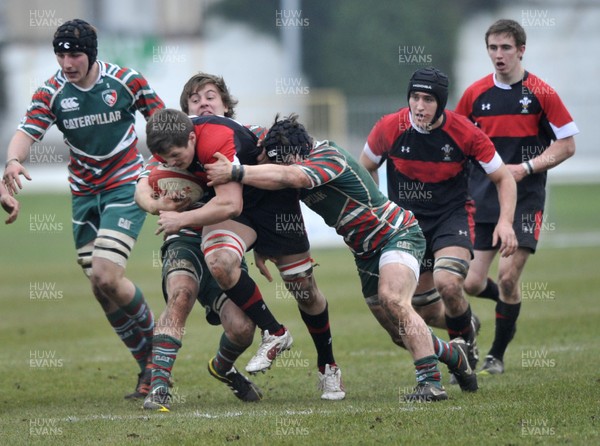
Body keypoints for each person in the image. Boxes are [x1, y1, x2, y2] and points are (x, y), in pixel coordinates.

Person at [206, 113, 479, 401]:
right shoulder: (291, 163)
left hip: (396, 234)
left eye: (284, 161)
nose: (282, 168)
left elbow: (292, 176)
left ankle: (430, 383)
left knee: (393, 298)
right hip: (364, 253)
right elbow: (276, 186)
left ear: (299, 152)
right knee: (399, 334)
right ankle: (454, 353)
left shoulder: (328, 157)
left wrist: (236, 171)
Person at [2, 19, 164, 399]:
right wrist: (11, 162)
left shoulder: (126, 80)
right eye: (60, 54)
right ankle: (148, 367)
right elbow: (27, 132)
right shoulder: (52, 92)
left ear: (91, 53)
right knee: (100, 288)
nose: (66, 62)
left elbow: (160, 121)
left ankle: (160, 349)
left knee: (107, 276)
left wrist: (162, 167)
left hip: (126, 186)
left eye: (74, 54)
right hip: (83, 195)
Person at [145, 105, 345, 401]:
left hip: (271, 205)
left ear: (192, 135)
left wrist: (179, 219)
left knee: (304, 290)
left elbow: (231, 204)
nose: (173, 163)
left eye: (210, 97)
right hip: (235, 211)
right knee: (220, 261)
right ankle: (274, 332)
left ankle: (328, 365)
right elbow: (142, 186)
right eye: (196, 98)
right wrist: (156, 205)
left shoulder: (216, 138)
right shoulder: (167, 141)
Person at [360, 67, 518, 374]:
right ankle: (466, 323)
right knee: (428, 311)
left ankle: (463, 351)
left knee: (449, 283)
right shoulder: (390, 126)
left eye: (428, 99)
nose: (419, 106)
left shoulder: (465, 132)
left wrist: (505, 223)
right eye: (415, 97)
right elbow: (366, 165)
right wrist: (378, 209)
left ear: (440, 103)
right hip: (407, 226)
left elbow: (504, 178)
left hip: (451, 218)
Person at [455, 19, 578, 375]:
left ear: (521, 50)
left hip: (525, 199)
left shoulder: (542, 93)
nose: (498, 55)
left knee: (509, 276)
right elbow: (457, 139)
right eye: (492, 48)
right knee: (471, 283)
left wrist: (526, 167)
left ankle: (496, 353)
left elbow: (567, 145)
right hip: (482, 197)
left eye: (505, 48)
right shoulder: (475, 94)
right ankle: (509, 306)